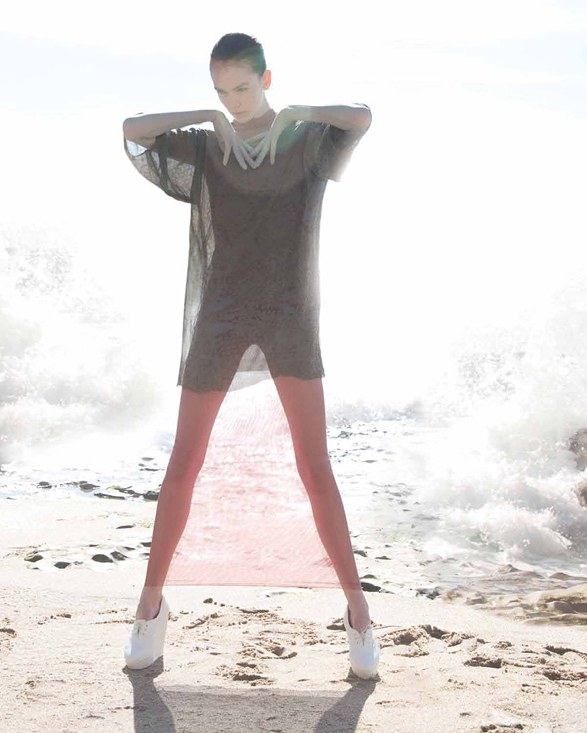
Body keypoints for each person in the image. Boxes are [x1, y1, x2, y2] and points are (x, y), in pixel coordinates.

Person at [121, 32, 378, 679]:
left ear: (266, 79)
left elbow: (361, 116)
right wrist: (206, 116)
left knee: (315, 466)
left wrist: (295, 113)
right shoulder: (207, 145)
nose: (233, 100)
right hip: (221, 315)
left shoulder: (306, 140)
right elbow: (133, 130)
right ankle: (150, 607)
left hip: (290, 314)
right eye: (221, 90)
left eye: (242, 87)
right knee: (184, 462)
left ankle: (358, 613)